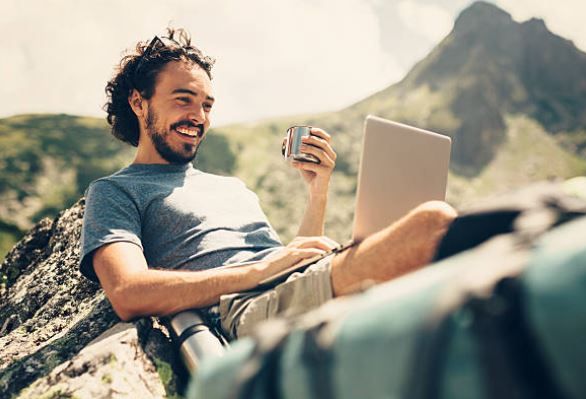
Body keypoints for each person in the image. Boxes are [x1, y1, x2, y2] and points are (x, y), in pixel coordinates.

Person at [79, 28, 457, 339]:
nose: (198, 116)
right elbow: (128, 293)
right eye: (184, 100)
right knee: (435, 225)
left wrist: (317, 190)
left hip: (289, 288)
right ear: (138, 102)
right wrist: (260, 273)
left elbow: (291, 258)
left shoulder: (233, 189)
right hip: (246, 309)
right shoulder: (115, 191)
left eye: (207, 105)